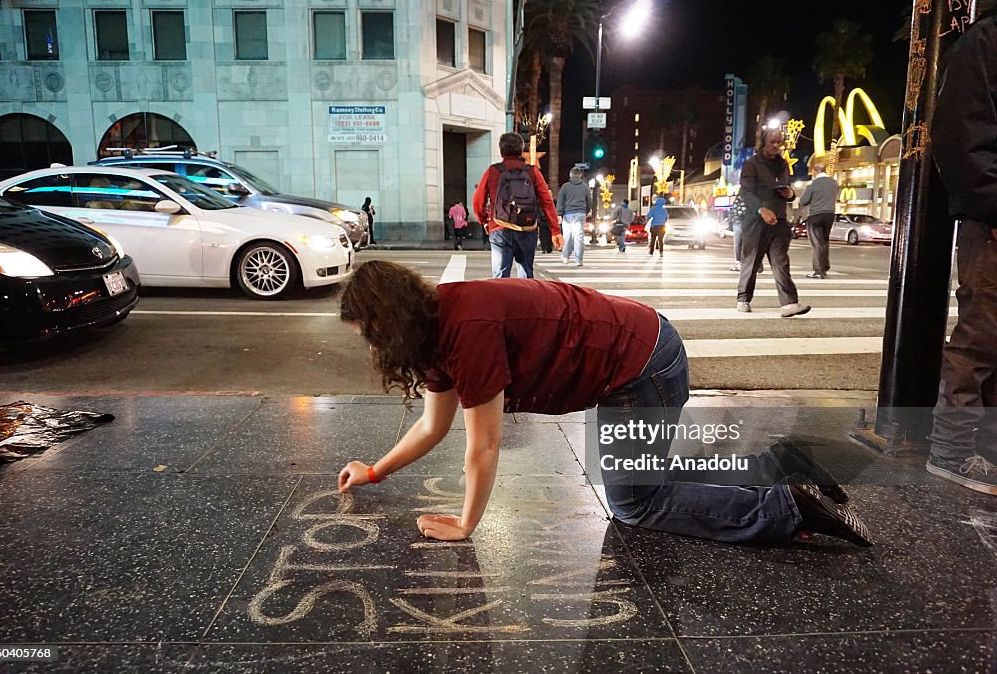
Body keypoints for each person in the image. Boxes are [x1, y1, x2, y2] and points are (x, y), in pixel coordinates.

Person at [336, 261, 873, 546]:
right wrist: (375, 472)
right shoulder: (435, 330)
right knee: (647, 476)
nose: (370, 346)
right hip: (637, 350)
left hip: (640, 365)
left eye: (369, 333)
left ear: (390, 321)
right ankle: (782, 465)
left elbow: (484, 445)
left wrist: (466, 523)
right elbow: (433, 426)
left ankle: (787, 508)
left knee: (637, 504)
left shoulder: (466, 329)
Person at [927, 12, 997, 494]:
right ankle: (952, 450)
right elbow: (960, 132)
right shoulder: (987, 39)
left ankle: (984, 450)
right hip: (992, 221)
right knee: (983, 333)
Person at [736, 129, 811, 317]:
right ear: (764, 142)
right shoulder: (752, 164)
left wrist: (790, 195)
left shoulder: (783, 164)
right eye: (772, 142)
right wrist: (761, 209)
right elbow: (746, 192)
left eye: (779, 142)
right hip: (755, 221)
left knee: (781, 261)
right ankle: (743, 298)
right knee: (751, 261)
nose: (776, 145)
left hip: (779, 220)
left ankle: (789, 303)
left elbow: (787, 189)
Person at [472, 133, 561, 278]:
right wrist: (555, 230)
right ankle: (526, 300)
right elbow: (547, 201)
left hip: (499, 227)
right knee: (526, 274)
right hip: (527, 227)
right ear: (521, 151)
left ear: (501, 151)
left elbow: (477, 201)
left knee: (500, 277)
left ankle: (502, 300)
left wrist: (484, 221)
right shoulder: (532, 171)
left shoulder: (493, 171)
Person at [800, 163, 840, 278]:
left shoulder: (813, 184)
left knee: (817, 243)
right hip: (830, 214)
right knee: (825, 241)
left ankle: (818, 271)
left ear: (815, 171)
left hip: (815, 215)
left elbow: (804, 201)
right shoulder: (834, 183)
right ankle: (825, 266)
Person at [556, 166, 591, 266]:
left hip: (568, 214)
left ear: (570, 175)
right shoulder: (585, 187)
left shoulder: (565, 186)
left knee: (567, 236)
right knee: (579, 237)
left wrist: (559, 213)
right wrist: (586, 211)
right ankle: (578, 260)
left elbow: (560, 201)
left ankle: (565, 256)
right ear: (580, 175)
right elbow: (589, 201)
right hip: (580, 213)